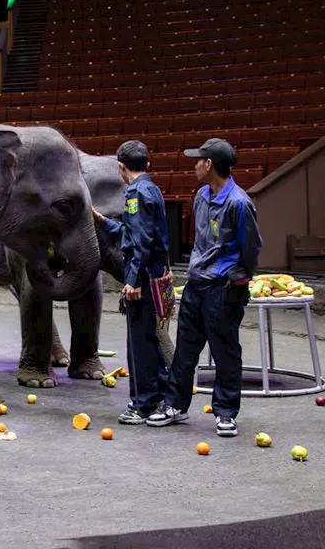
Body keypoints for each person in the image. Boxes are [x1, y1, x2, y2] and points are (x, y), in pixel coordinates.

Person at [148, 138, 261, 437]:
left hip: (222, 288)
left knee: (225, 351)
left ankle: (225, 412)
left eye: (198, 160)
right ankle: (175, 405)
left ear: (209, 164)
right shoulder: (201, 195)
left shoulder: (238, 203)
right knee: (185, 348)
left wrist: (236, 279)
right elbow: (201, 242)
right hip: (197, 285)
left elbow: (251, 248)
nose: (195, 164)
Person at [92, 140, 173, 426]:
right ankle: (161, 397)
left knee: (139, 344)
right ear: (147, 164)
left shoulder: (136, 193)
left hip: (144, 277)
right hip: (156, 274)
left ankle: (143, 404)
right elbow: (135, 231)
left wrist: (133, 280)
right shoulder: (153, 189)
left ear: (121, 167)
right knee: (150, 338)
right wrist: (103, 222)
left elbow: (140, 242)